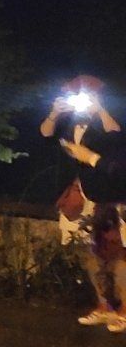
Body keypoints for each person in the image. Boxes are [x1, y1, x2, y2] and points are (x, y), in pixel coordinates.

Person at [44, 77, 124, 329]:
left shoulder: (108, 117)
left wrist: (100, 109)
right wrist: (55, 113)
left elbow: (116, 135)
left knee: (117, 251)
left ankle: (123, 309)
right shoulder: (71, 120)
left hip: (108, 194)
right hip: (83, 194)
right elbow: (45, 134)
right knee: (91, 253)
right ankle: (104, 306)